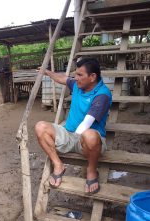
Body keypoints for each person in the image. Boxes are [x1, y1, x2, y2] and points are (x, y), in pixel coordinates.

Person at [35, 58, 112, 194]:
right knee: (40, 126)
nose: (75, 78)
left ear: (93, 77)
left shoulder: (102, 95)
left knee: (89, 135)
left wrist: (69, 139)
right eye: (75, 74)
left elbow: (85, 125)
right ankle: (58, 165)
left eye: (79, 75)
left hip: (88, 142)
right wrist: (47, 72)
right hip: (69, 133)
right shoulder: (78, 85)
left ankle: (91, 170)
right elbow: (62, 78)